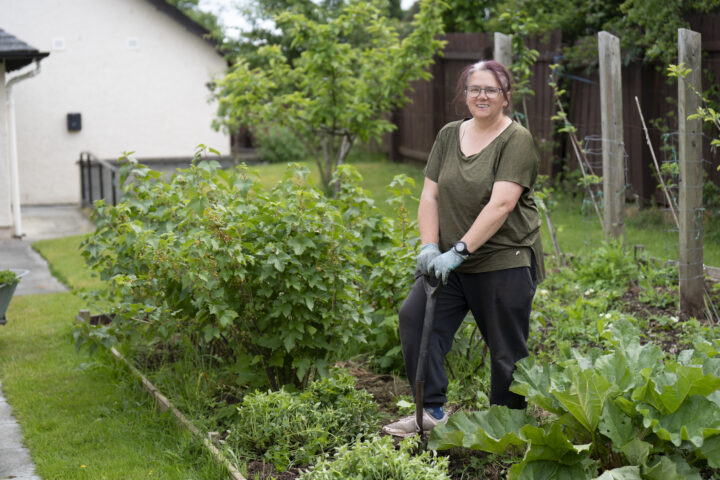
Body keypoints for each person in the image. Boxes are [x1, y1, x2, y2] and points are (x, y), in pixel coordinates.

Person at [382, 59, 544, 438]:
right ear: (465, 95)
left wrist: (458, 250)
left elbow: (501, 204)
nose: (482, 95)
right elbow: (430, 194)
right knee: (415, 318)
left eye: (491, 89)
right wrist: (428, 245)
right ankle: (431, 412)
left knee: (506, 350)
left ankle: (508, 428)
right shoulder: (448, 135)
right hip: (448, 264)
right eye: (474, 89)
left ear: (506, 97)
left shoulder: (515, 139)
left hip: (503, 260)